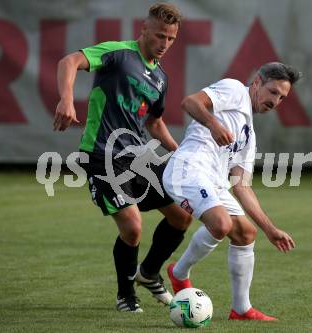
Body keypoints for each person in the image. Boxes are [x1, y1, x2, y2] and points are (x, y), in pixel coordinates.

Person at [53, 3, 192, 313]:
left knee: (182, 214)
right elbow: (70, 60)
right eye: (159, 36)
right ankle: (126, 296)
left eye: (171, 39)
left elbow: (154, 123)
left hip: (138, 156)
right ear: (143, 30)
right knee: (132, 226)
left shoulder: (160, 78)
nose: (164, 44)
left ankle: (150, 273)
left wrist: (181, 152)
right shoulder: (118, 53)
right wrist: (66, 99)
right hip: (102, 154)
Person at [163, 62, 300, 321]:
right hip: (188, 168)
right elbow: (190, 102)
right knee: (221, 223)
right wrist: (213, 124)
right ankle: (179, 274)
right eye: (273, 92)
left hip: (213, 181)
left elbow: (241, 186)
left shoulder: (249, 137)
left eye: (282, 97)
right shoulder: (235, 89)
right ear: (257, 82)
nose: (276, 101)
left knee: (246, 233)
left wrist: (270, 230)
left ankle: (241, 309)